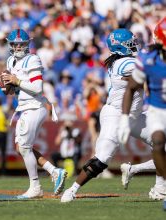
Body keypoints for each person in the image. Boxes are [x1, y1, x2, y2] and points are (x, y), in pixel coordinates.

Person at [60, 28, 153, 203]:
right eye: (130, 44)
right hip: (116, 115)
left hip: (135, 115)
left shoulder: (124, 61)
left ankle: (145, 178)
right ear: (120, 48)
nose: (134, 46)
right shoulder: (123, 63)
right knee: (102, 159)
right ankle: (72, 190)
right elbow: (148, 69)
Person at [0, 28, 67, 198]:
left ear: (28, 44)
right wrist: (7, 86)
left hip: (35, 106)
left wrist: (17, 80)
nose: (18, 48)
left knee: (24, 147)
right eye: (15, 44)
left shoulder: (33, 59)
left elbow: (37, 88)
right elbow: (12, 89)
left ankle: (35, 187)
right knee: (20, 148)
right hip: (25, 107)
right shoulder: (10, 61)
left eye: (21, 44)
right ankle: (54, 171)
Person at [117, 18, 166, 210]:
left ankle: (155, 184)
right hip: (157, 110)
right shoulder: (148, 60)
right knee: (159, 142)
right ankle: (161, 189)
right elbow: (130, 88)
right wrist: (123, 118)